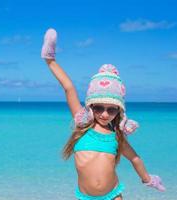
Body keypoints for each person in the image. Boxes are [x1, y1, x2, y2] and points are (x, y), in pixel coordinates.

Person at [41, 28, 166, 200]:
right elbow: (68, 87)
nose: (104, 114)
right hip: (85, 197)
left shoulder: (117, 138)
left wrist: (148, 179)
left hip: (113, 195)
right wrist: (50, 60)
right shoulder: (82, 125)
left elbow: (135, 159)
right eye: (99, 107)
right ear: (91, 106)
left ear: (119, 111)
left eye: (111, 109)